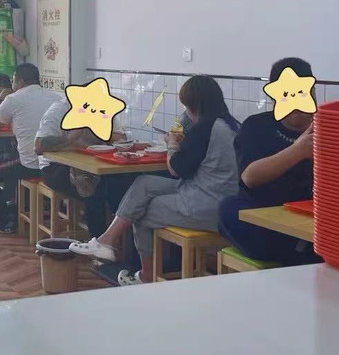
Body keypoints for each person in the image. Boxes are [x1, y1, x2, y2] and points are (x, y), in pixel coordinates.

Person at [70, 76, 240, 285]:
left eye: (186, 106)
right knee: (144, 183)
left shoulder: (205, 129)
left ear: (194, 105)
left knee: (140, 211)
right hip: (222, 200)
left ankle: (146, 276)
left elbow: (176, 169)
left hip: (205, 205)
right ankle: (106, 241)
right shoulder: (230, 124)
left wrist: (172, 143)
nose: (186, 111)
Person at [218, 57, 321, 267]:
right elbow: (250, 177)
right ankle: (300, 252)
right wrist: (297, 151)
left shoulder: (327, 126)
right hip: (264, 215)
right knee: (228, 208)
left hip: (311, 216)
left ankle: (303, 250)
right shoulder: (256, 126)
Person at [0, 63, 62, 234]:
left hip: (29, 165)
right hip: (55, 165)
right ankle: (16, 211)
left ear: (20, 81)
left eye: (13, 81)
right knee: (10, 159)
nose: (12, 85)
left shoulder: (13, 99)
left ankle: (4, 218)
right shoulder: (55, 97)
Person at [34, 101, 135, 238]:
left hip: (92, 164)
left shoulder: (102, 108)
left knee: (122, 184)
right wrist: (70, 137)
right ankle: (98, 240)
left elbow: (121, 138)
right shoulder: (59, 110)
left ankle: (125, 242)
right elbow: (39, 146)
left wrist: (102, 131)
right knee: (92, 187)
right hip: (54, 166)